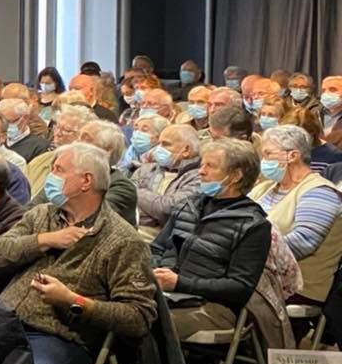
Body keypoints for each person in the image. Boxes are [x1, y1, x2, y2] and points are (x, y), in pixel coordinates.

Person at [0, 143, 157, 364]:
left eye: (58, 170)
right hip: (5, 320)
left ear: (86, 181)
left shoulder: (121, 240)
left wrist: (74, 301)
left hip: (61, 336)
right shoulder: (42, 216)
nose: (50, 176)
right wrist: (43, 240)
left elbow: (139, 317)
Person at [152, 140, 271, 341]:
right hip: (166, 295)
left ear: (235, 176)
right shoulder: (188, 205)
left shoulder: (253, 224)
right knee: (110, 311)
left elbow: (239, 287)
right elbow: (156, 248)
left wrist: (180, 283)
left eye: (211, 166)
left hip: (213, 306)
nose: (201, 171)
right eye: (201, 164)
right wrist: (154, 270)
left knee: (144, 322)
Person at [251, 125, 342, 305]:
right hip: (255, 274)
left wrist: (245, 250)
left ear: (293, 156)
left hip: (297, 287)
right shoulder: (264, 188)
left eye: (269, 154)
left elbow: (303, 243)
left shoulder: (319, 192)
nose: (264, 160)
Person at [134, 125, 203, 242]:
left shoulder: (199, 176)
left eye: (166, 144)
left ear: (186, 150)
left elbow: (169, 210)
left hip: (164, 241)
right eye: (159, 144)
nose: (158, 149)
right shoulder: (146, 169)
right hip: (132, 229)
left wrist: (137, 192)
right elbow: (125, 201)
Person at [26, 106, 94, 197]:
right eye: (57, 127)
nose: (58, 134)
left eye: (66, 130)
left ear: (83, 137)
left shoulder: (87, 170)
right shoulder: (39, 161)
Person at [79, 120, 138, 224]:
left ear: (107, 151)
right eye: (78, 138)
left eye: (86, 140)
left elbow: (90, 220)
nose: (76, 144)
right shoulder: (68, 173)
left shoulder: (121, 187)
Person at [0, 97, 48, 162]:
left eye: (9, 122)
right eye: (2, 122)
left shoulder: (40, 147)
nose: (5, 126)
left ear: (25, 118)